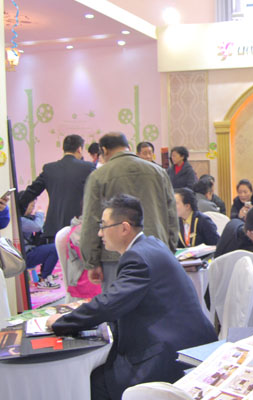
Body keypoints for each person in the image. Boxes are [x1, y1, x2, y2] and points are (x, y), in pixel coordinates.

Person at [47, 194, 217, 400]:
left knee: (91, 383)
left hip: (170, 354)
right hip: (189, 342)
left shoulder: (137, 258)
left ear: (124, 228)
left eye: (104, 226)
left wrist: (63, 322)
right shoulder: (151, 245)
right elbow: (118, 298)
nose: (100, 233)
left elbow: (110, 304)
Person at [80, 132, 179, 290]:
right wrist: (170, 248)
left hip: (115, 255)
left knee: (119, 302)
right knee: (156, 301)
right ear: (129, 147)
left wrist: (92, 261)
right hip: (156, 250)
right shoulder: (159, 172)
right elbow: (172, 215)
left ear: (104, 150)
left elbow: (91, 220)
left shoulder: (98, 176)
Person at [19, 134, 95, 242]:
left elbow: (31, 191)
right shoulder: (88, 167)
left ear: (63, 148)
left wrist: (18, 210)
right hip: (78, 227)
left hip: (54, 227)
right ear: (79, 149)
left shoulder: (49, 169)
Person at [19, 196, 60, 289]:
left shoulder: (27, 218)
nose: (33, 209)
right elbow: (37, 226)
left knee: (49, 240)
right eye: (32, 205)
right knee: (54, 248)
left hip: (29, 251)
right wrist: (40, 214)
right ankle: (45, 279)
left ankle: (45, 275)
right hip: (25, 255)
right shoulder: (20, 220)